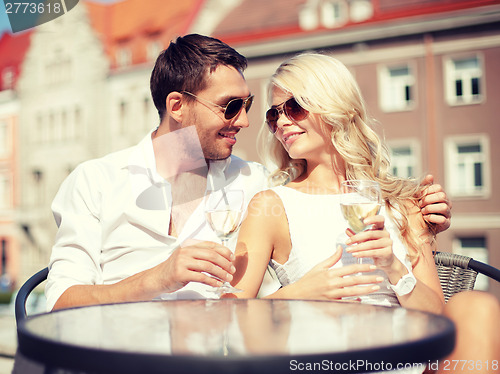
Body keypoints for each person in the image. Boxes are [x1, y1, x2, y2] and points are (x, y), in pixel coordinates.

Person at [45, 34, 451, 311]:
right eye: (230, 107)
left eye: (251, 105)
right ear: (176, 105)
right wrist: (158, 278)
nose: (246, 121)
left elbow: (323, 201)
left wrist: (424, 214)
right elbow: (60, 300)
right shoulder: (95, 181)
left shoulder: (254, 182)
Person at [229, 53, 499, 373]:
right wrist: (296, 295)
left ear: (334, 105)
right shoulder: (271, 206)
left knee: (477, 304)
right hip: (326, 363)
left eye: (295, 107)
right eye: (274, 115)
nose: (283, 122)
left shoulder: (402, 202)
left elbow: (437, 318)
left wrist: (395, 269)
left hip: (406, 362)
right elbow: (229, 315)